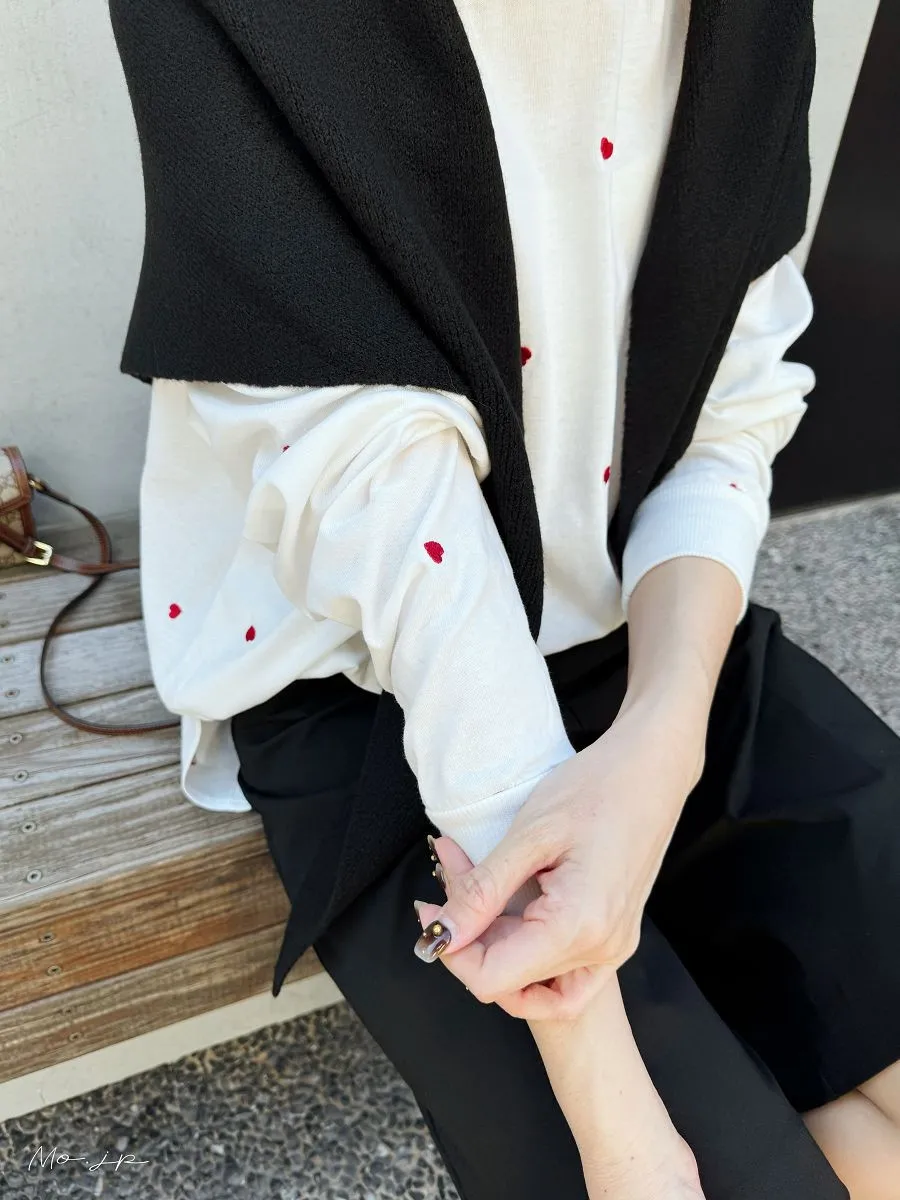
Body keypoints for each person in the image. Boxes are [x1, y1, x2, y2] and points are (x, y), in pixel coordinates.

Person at [108, 1, 900, 1196]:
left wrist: (664, 738)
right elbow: (379, 498)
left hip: (644, 621)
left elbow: (730, 398)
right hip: (373, 682)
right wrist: (606, 1097)